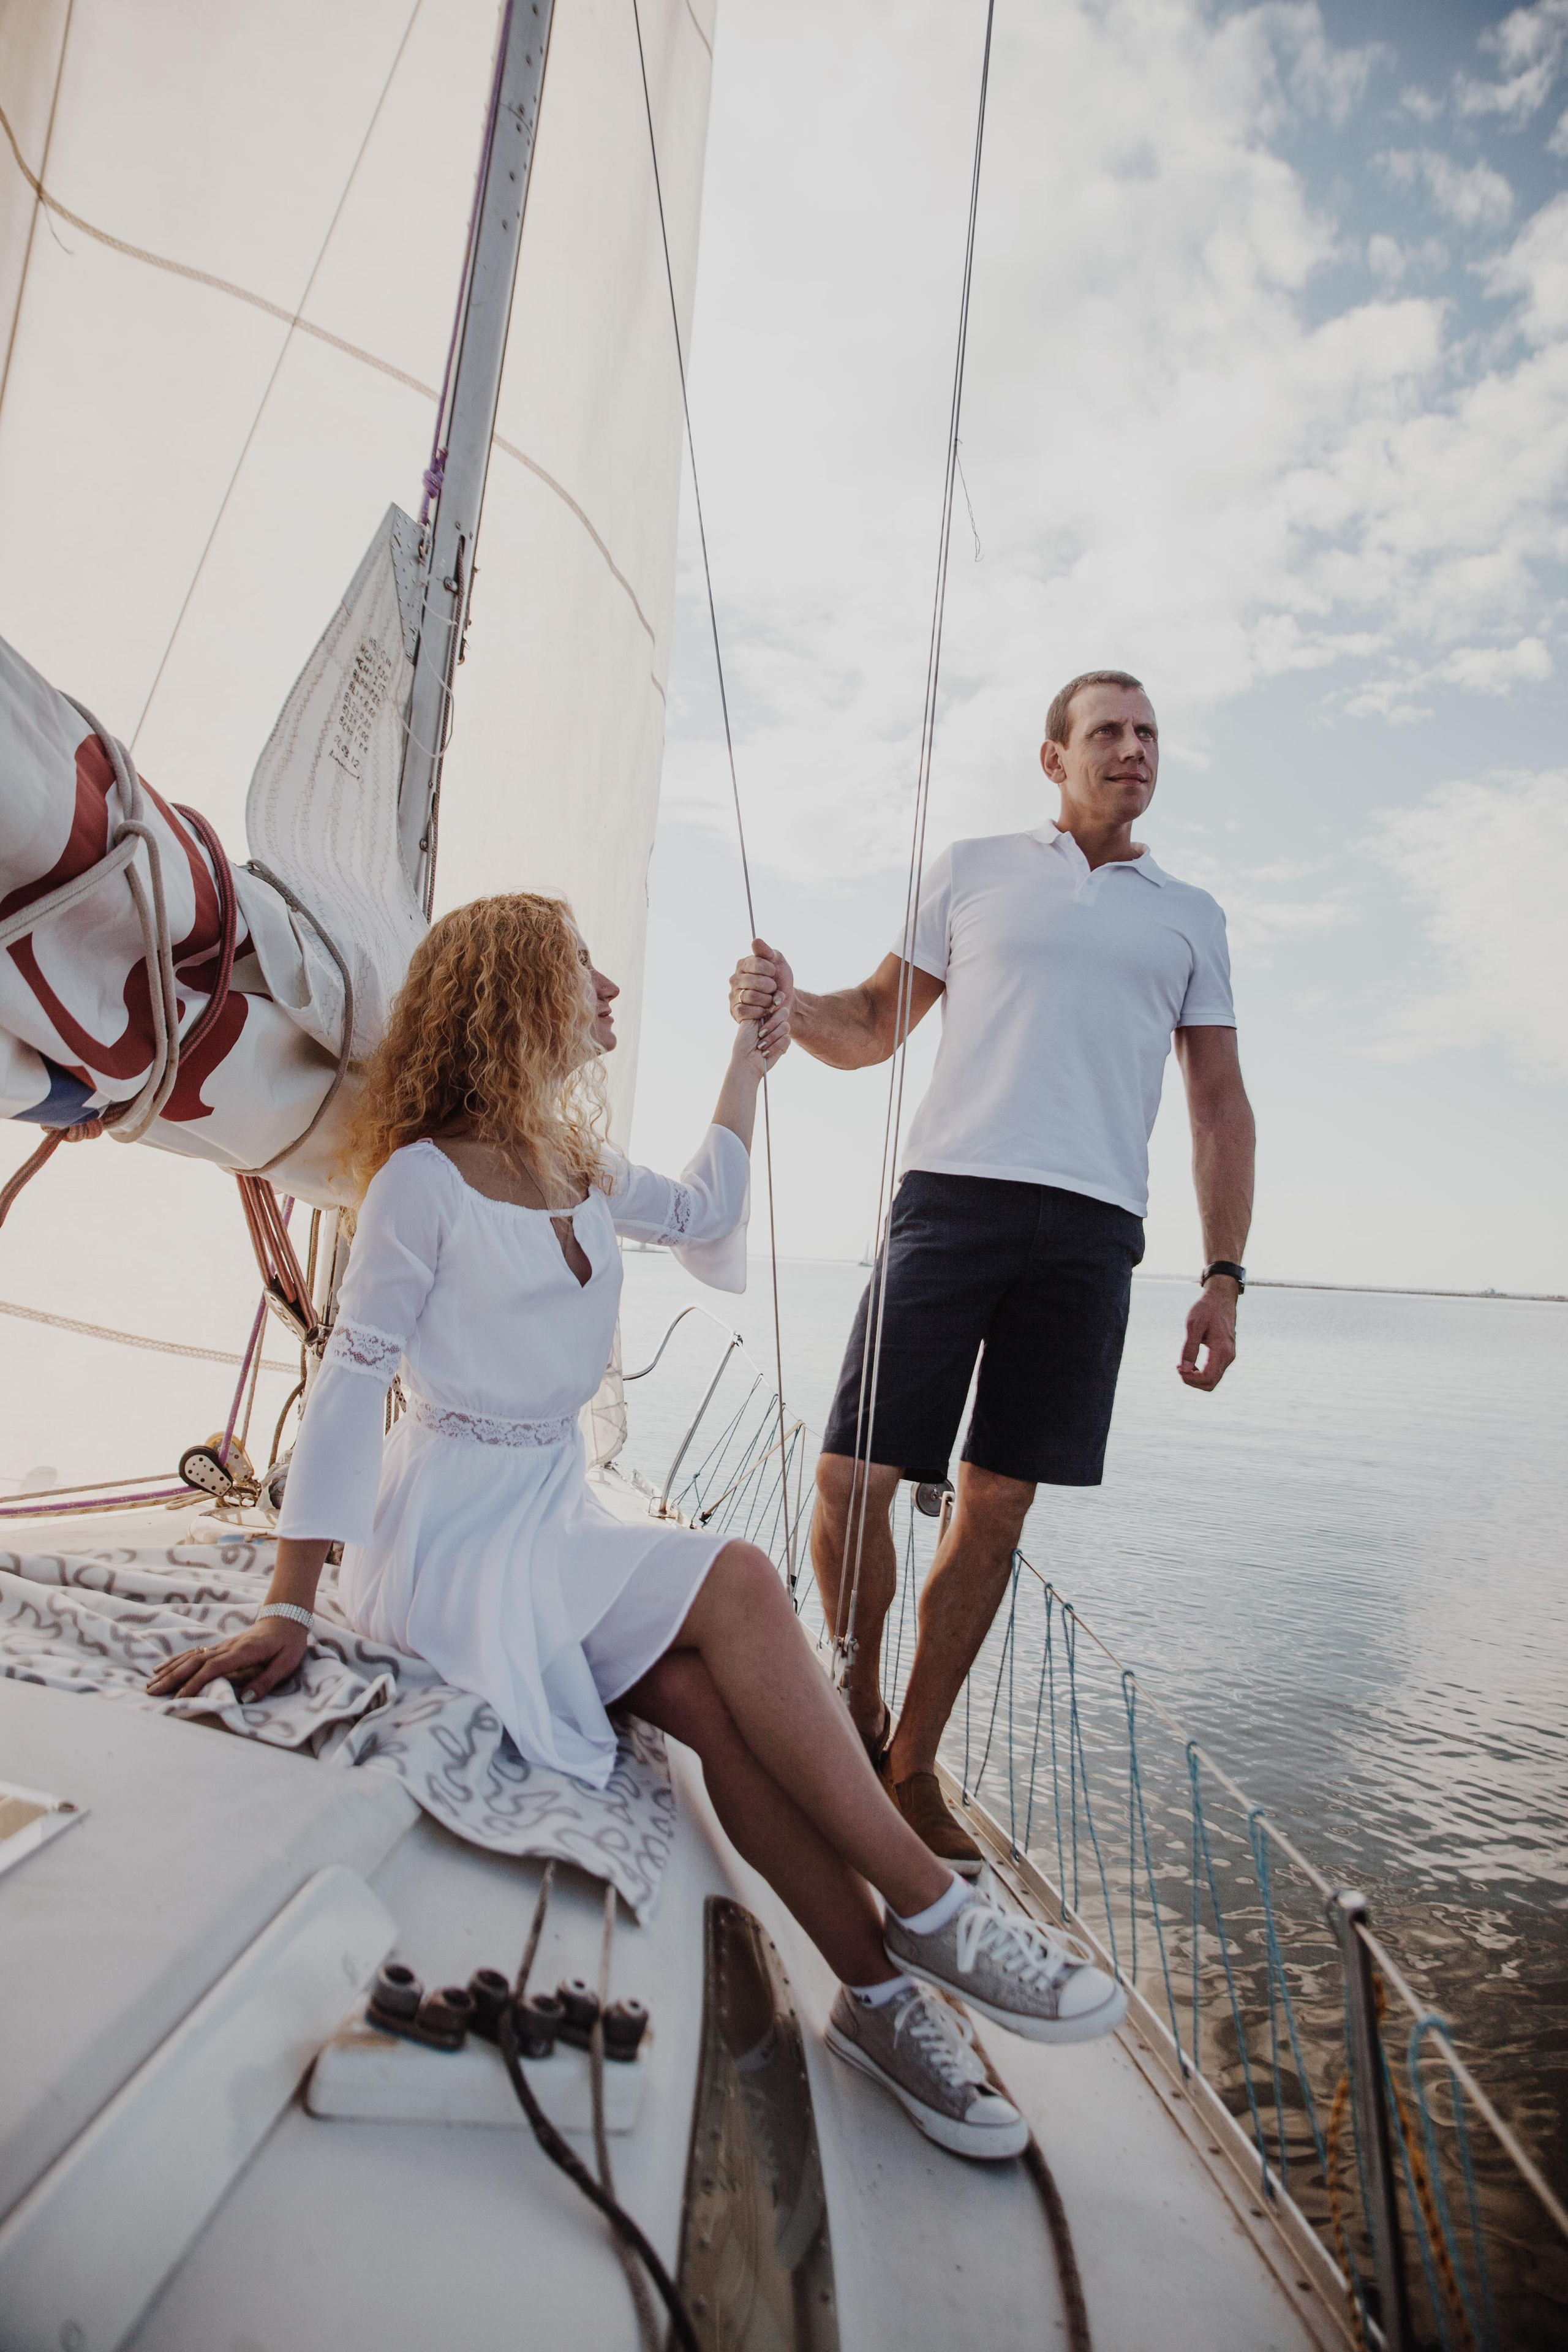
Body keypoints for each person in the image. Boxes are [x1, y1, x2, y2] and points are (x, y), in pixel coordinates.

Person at [148, 891, 1126, 2160]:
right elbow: (348, 1379)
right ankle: (931, 1907)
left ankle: (876, 2000)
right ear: (513, 998)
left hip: (549, 1514)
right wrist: (289, 1603)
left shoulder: (577, 1169)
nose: (608, 988)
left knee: (712, 1707)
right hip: (450, 1538)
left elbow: (710, 1208)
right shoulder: (420, 1184)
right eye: (580, 969)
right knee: (732, 1578)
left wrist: (748, 1059)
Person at [729, 670, 1256, 1877]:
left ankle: (910, 1769)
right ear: (1051, 757)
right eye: (1107, 733)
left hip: (1089, 1231)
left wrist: (1223, 1272)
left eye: (1147, 734)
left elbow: (1217, 1105)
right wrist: (784, 1004)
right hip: (950, 1198)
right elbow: (868, 1022)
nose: (1132, 750)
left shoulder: (1190, 916)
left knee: (997, 1504)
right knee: (852, 1473)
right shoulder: (971, 868)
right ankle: (849, 1727)